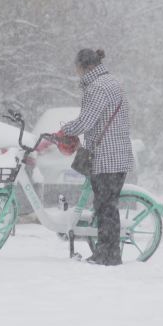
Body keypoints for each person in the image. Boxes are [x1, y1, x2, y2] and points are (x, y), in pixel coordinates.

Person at [60, 48, 134, 266]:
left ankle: (107, 255)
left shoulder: (98, 87)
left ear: (86, 67)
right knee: (107, 205)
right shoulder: (112, 82)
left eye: (77, 68)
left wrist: (64, 130)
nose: (77, 73)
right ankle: (108, 253)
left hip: (106, 157)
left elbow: (86, 121)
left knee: (105, 207)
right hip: (118, 155)